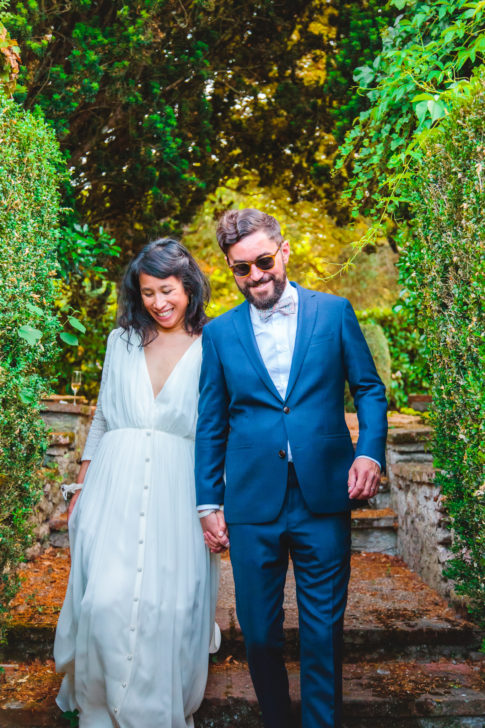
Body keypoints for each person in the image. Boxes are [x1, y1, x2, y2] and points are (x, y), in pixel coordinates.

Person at [195, 209, 388, 728]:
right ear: (231, 270)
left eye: (263, 261)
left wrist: (369, 452)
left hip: (323, 493)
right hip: (251, 501)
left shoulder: (334, 312)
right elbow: (211, 422)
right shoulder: (219, 333)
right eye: (242, 268)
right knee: (259, 634)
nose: (256, 276)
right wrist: (208, 501)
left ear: (283, 251)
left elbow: (369, 389)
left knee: (323, 630)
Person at [54, 239, 220, 728]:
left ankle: (152, 711)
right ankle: (102, 707)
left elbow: (219, 427)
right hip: (114, 484)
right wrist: (81, 489)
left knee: (168, 605)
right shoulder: (120, 341)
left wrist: (217, 501)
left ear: (189, 287)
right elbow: (103, 417)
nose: (158, 303)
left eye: (167, 290)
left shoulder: (214, 345)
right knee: (104, 599)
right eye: (147, 293)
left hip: (179, 487)